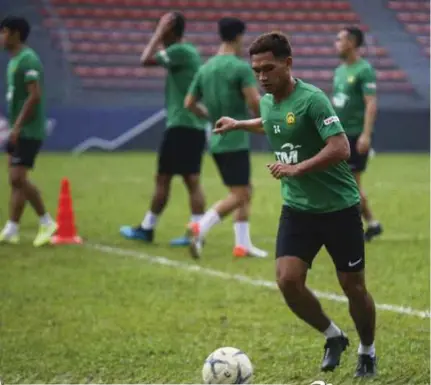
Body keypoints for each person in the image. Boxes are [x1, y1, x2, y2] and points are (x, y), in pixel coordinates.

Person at [214, 32, 377, 377]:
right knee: (288, 280)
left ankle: (367, 349)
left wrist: (296, 168)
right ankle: (334, 336)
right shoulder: (269, 99)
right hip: (298, 208)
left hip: (339, 208)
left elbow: (340, 148)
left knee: (353, 286)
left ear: (288, 64)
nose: (261, 76)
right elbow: (271, 121)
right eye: (256, 69)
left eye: (268, 69)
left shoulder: (312, 99)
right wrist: (238, 123)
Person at [120, 12, 208, 245]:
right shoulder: (185, 52)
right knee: (185, 180)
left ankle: (150, 229)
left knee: (171, 179)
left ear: (170, 29)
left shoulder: (180, 51)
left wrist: (158, 34)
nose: (157, 30)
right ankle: (191, 232)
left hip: (183, 125)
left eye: (161, 26)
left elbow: (145, 59)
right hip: (189, 125)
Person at [184, 17, 267, 258]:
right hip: (236, 137)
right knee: (240, 194)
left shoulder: (205, 68)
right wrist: (270, 120)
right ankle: (201, 227)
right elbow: (255, 102)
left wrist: (211, 117)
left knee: (244, 189)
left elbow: (189, 103)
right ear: (240, 36)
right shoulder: (240, 68)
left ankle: (242, 244)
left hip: (217, 139)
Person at [0, 16, 57, 246]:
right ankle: (12, 229)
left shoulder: (28, 60)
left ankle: (47, 221)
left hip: (28, 129)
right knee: (15, 180)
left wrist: (17, 127)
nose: (1, 37)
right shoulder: (13, 61)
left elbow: (35, 96)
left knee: (17, 177)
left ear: (15, 34)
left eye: (3, 31)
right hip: (19, 128)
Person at [333, 27, 382, 242]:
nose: (336, 43)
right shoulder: (339, 71)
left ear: (352, 42)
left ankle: (353, 228)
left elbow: (371, 103)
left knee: (350, 184)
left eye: (340, 39)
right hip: (338, 135)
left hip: (354, 135)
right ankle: (371, 223)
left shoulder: (364, 70)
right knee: (345, 183)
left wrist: (366, 135)